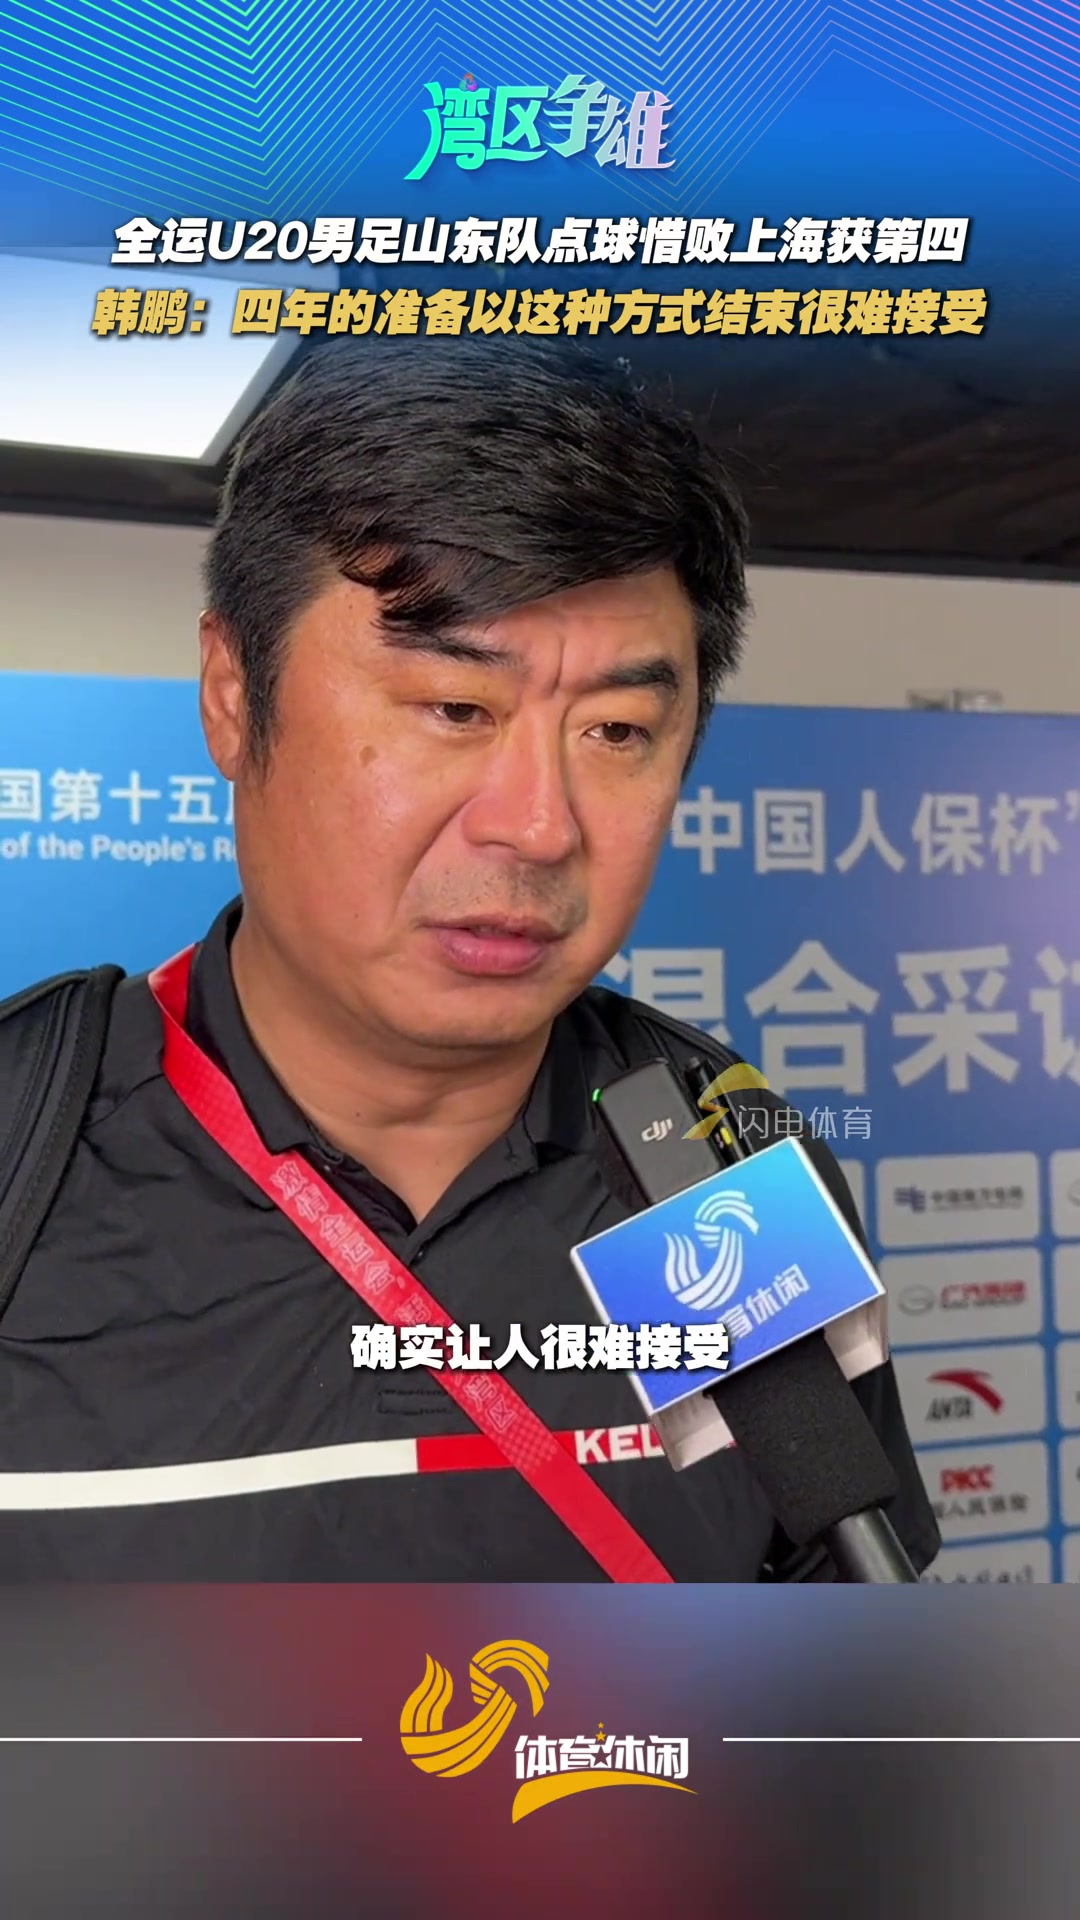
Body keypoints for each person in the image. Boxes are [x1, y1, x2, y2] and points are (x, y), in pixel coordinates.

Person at [0, 336, 939, 1580]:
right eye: (456, 708)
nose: (539, 826)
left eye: (618, 729)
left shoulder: (721, 1170)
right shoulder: (26, 1146)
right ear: (233, 693)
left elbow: (837, 1634)